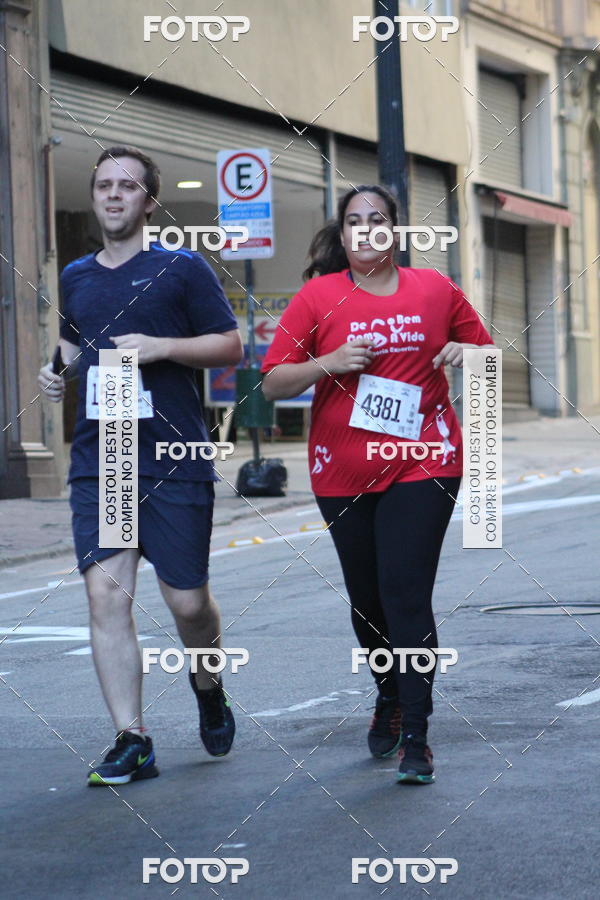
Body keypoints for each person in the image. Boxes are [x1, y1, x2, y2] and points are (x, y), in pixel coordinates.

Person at [261, 185, 494, 784]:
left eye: (379, 220)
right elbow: (272, 385)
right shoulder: (319, 297)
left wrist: (460, 353)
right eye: (355, 222)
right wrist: (327, 364)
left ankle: (417, 736)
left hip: (425, 459)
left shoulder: (434, 289)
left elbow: (486, 353)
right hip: (342, 468)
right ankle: (388, 693)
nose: (367, 230)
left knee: (405, 592)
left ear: (396, 230)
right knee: (368, 602)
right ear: (342, 237)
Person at [38, 145, 243, 785]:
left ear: (148, 201)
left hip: (173, 454)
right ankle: (133, 738)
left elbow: (229, 343)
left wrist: (163, 346)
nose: (113, 196)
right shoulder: (77, 275)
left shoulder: (182, 269)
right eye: (103, 186)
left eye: (127, 187)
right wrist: (57, 367)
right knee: (106, 594)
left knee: (186, 603)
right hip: (106, 457)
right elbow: (74, 337)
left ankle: (207, 681)